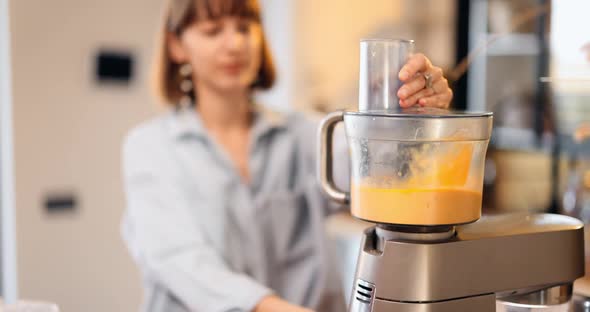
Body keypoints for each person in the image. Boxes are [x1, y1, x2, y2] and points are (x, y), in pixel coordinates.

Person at [121, 0, 453, 311]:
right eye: (213, 31)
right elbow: (179, 259)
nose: (234, 44)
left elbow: (383, 174)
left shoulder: (303, 133)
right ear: (176, 46)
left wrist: (415, 114)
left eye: (244, 27)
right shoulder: (151, 147)